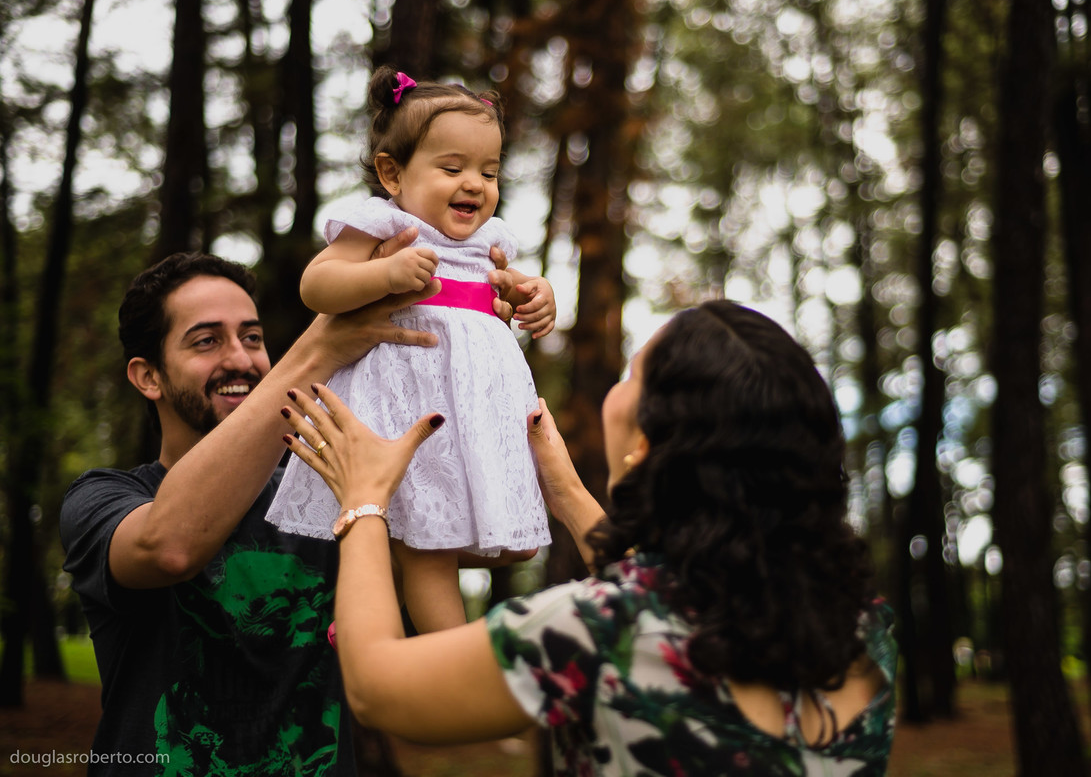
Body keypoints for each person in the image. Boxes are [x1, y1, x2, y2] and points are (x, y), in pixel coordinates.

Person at [279, 299, 898, 776]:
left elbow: (378, 688)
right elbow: (682, 586)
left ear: (647, 444)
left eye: (631, 373)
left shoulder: (597, 631)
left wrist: (364, 502)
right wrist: (567, 490)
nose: (617, 383)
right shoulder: (863, 630)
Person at [57, 241, 499, 775]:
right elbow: (169, 546)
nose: (241, 359)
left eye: (253, 337)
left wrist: (479, 339)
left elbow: (478, 542)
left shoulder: (326, 491)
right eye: (206, 341)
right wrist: (318, 349)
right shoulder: (101, 499)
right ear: (148, 376)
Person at [266, 67, 554, 635]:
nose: (474, 183)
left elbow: (505, 290)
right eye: (452, 168)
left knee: (440, 543)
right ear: (392, 173)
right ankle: (443, 654)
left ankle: (367, 621)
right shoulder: (385, 224)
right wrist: (385, 274)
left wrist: (535, 296)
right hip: (402, 407)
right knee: (426, 549)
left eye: (489, 172)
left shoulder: (489, 240)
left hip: (468, 418)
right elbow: (316, 286)